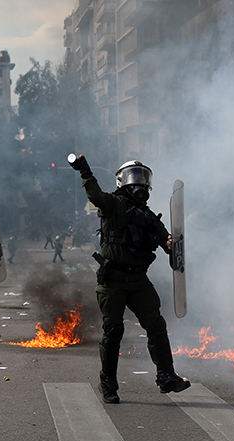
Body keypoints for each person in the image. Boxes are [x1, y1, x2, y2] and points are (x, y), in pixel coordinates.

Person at [69, 153, 191, 403]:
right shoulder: (113, 205)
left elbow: (167, 243)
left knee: (156, 326)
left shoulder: (148, 216)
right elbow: (94, 196)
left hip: (138, 282)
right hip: (113, 281)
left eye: (143, 177)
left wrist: (171, 244)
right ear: (122, 181)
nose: (139, 182)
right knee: (113, 331)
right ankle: (108, 384)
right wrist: (85, 172)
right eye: (133, 177)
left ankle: (166, 376)